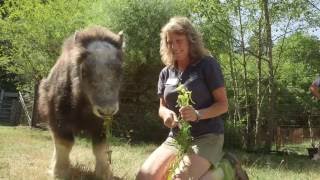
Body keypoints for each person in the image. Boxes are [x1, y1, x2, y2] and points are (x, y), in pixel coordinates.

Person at [136, 16, 248, 180]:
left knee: (178, 178)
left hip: (207, 135)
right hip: (177, 136)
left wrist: (198, 114)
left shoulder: (207, 65)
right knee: (144, 177)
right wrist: (166, 115)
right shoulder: (166, 72)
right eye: (169, 42)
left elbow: (223, 105)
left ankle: (227, 167)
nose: (174, 46)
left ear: (191, 40)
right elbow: (162, 106)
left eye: (179, 40)